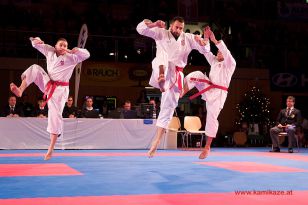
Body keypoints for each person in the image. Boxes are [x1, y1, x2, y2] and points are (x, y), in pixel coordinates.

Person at [136, 16, 210, 157]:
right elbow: (140, 29)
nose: (178, 30)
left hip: (177, 76)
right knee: (161, 54)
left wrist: (204, 41)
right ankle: (162, 78)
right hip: (163, 70)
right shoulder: (161, 32)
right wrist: (154, 24)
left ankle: (156, 142)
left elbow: (205, 50)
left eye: (181, 28)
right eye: (176, 27)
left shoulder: (188, 38)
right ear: (171, 26)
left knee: (167, 110)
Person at [10, 37, 90, 160]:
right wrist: (36, 40)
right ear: (55, 46)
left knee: (54, 115)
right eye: (61, 45)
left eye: (65, 45)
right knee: (35, 68)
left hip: (60, 90)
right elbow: (35, 44)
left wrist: (75, 50)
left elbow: (87, 54)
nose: (63, 47)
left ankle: (51, 149)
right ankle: (20, 90)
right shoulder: (50, 50)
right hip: (48, 83)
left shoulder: (72, 57)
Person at [182, 26, 236, 159]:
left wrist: (214, 39)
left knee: (212, 118)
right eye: (217, 51)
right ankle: (181, 92)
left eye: (220, 52)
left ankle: (207, 147)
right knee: (197, 74)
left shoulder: (230, 64)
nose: (218, 53)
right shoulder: (214, 62)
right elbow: (206, 52)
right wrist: (205, 38)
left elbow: (226, 52)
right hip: (209, 87)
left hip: (219, 94)